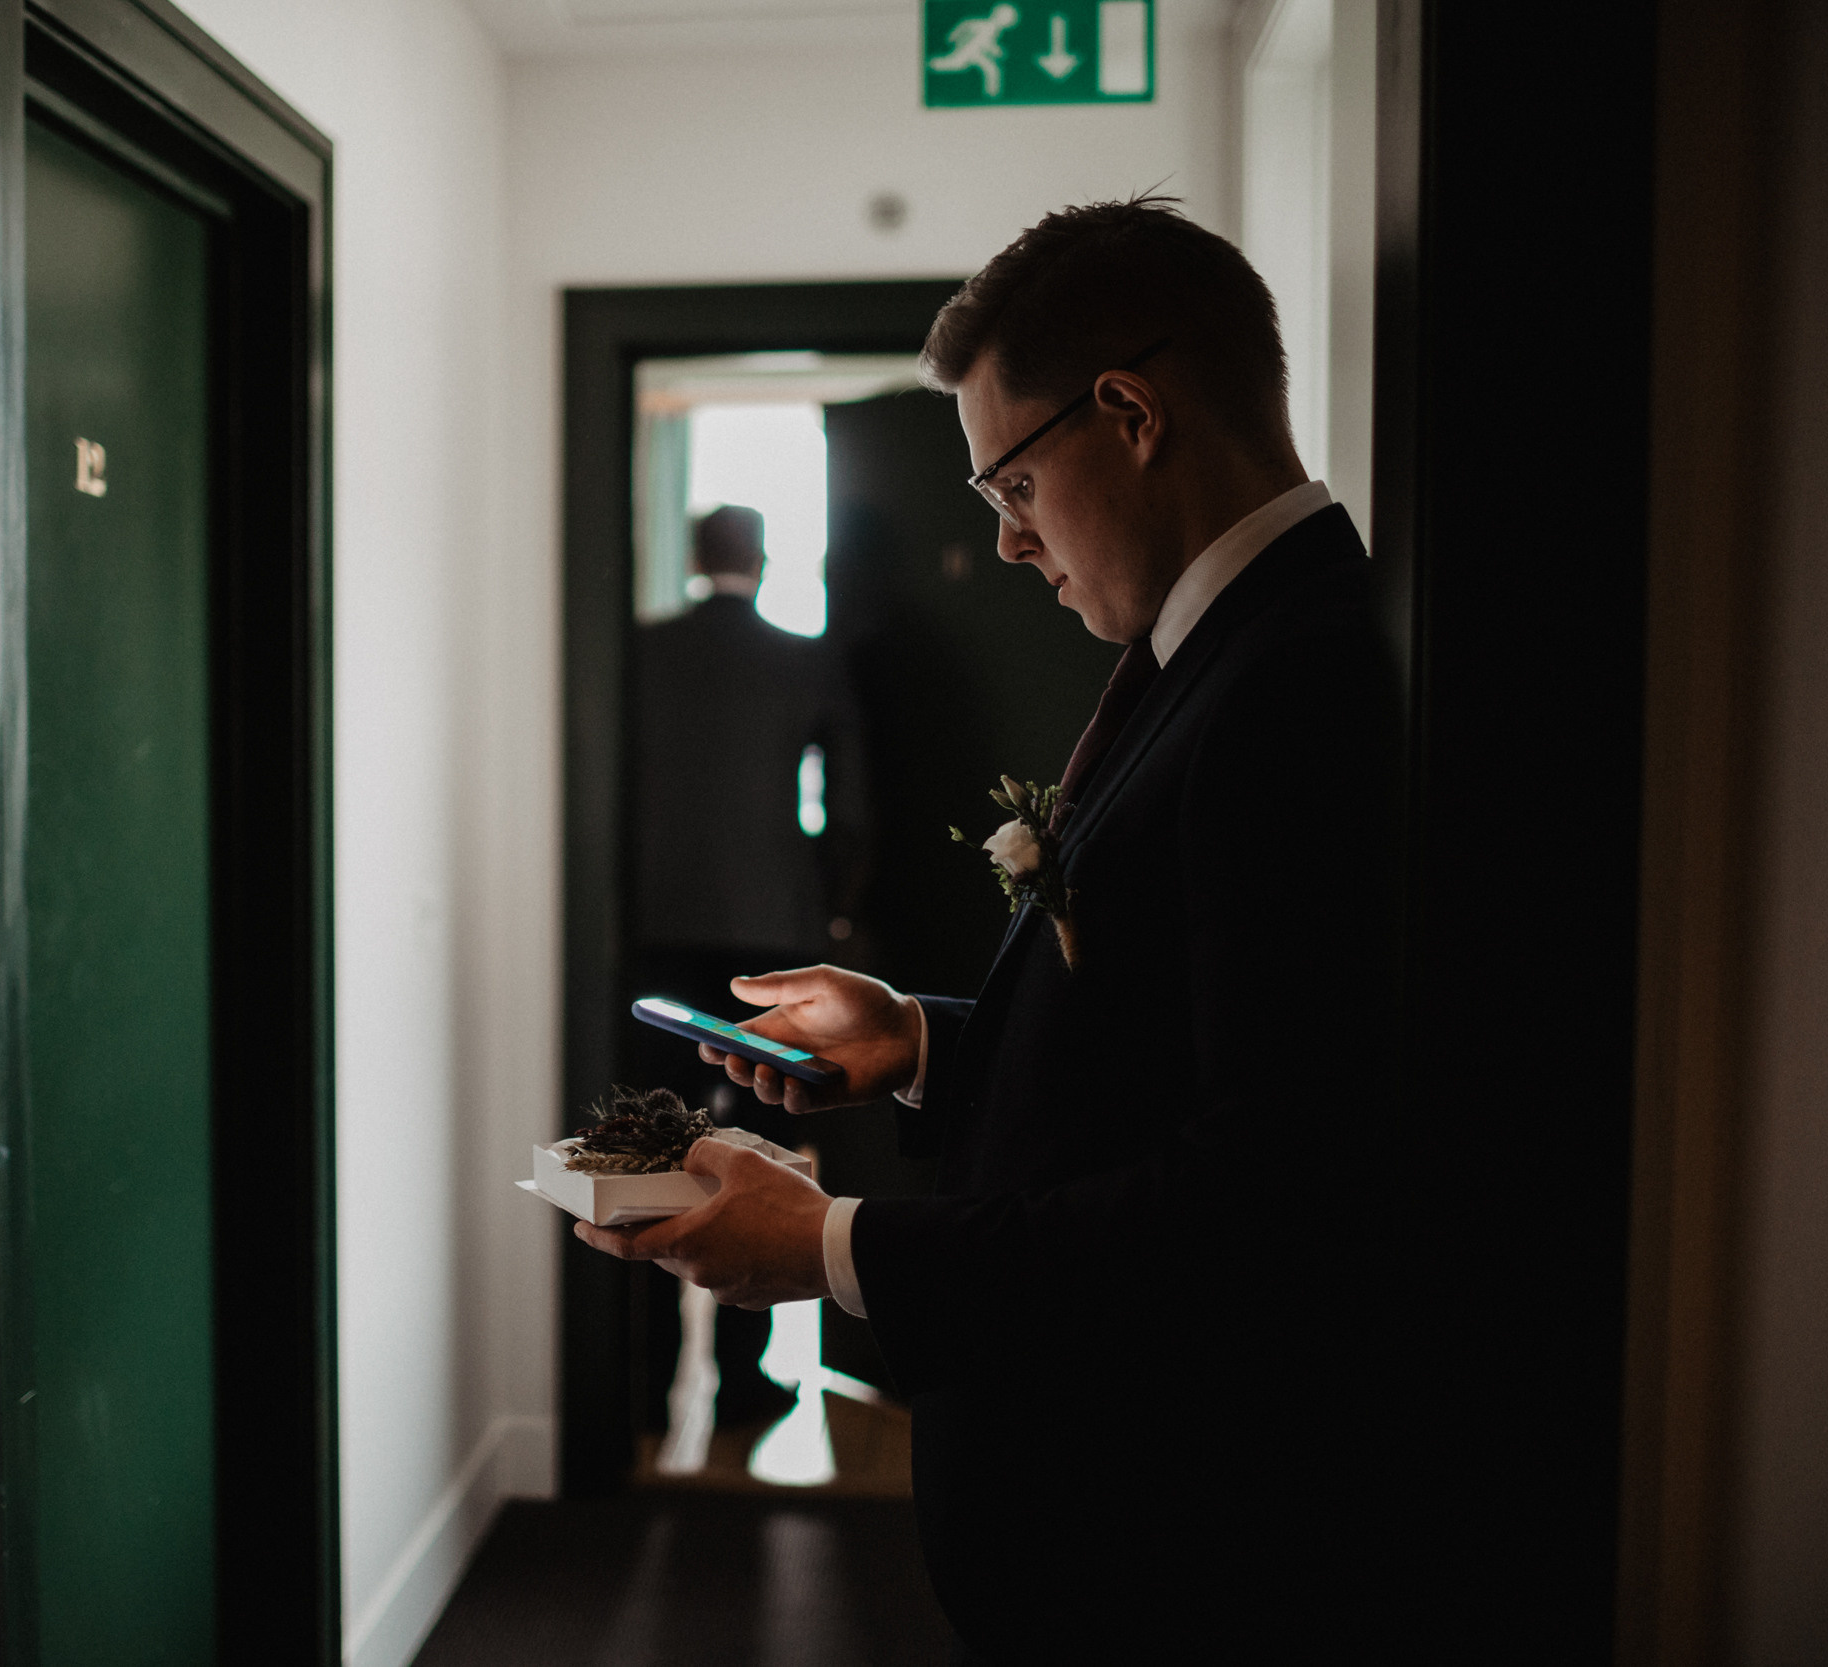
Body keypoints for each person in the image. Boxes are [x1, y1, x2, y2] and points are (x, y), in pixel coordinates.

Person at [577, 196, 1400, 1661]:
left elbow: (1263, 1203)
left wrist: (832, 1242)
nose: (1010, 544)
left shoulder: (1299, 684)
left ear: (1130, 412)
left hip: (1172, 1550)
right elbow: (1156, 1057)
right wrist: (915, 1041)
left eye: (1010, 485)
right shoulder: (1212, 648)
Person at [624, 502, 868, 1433]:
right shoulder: (807, 656)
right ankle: (743, 1378)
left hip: (657, 933)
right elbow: (848, 807)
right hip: (772, 941)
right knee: (760, 1159)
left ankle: (645, 1377)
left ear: (693, 558)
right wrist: (833, 908)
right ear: (762, 560)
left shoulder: (641, 650)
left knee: (651, 1154)